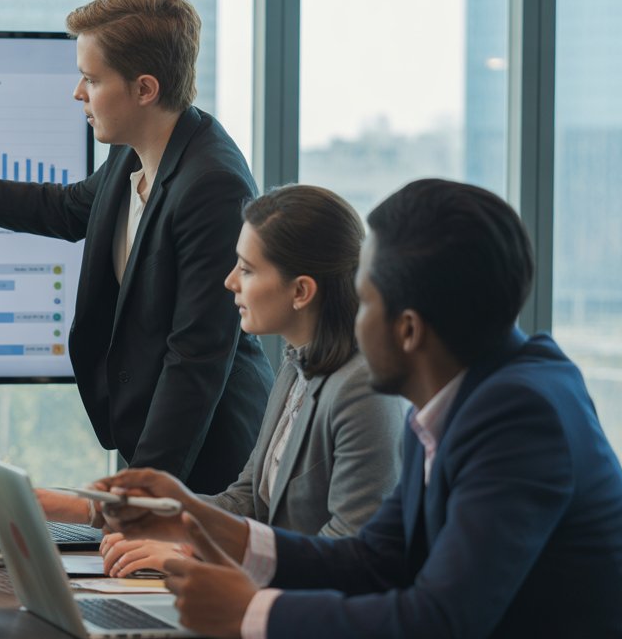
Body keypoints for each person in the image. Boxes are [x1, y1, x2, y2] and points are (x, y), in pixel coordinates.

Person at [98, 179, 622, 639]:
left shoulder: (519, 416)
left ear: (408, 330)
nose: (352, 318)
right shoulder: (457, 397)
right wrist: (193, 521)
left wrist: (251, 611)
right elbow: (373, 559)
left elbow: (441, 619)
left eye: (365, 299)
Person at [0, 0, 272, 492]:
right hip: (157, 443)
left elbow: (196, 360)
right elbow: (69, 208)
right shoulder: (136, 152)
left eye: (90, 78)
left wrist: (136, 496)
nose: (78, 93)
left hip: (209, 460)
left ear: (144, 89)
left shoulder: (212, 185)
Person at [97, 185, 405, 578]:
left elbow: (349, 548)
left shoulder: (362, 389)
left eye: (246, 269)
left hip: (311, 620)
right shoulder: (296, 365)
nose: (230, 282)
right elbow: (248, 501)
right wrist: (165, 527)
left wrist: (194, 553)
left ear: (301, 291)